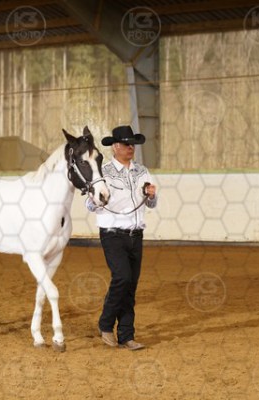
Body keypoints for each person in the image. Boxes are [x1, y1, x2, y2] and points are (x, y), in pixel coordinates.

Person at [86, 125, 157, 351]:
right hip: (112, 233)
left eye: (132, 144)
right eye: (126, 144)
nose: (130, 147)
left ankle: (127, 335)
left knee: (130, 286)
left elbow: (152, 203)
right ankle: (106, 323)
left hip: (136, 234)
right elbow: (89, 205)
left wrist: (151, 196)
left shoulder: (142, 171)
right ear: (115, 147)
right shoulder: (103, 173)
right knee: (123, 277)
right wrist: (98, 201)